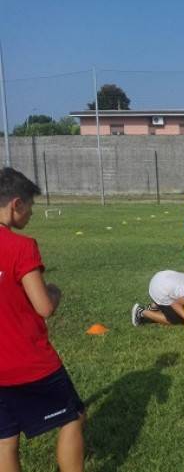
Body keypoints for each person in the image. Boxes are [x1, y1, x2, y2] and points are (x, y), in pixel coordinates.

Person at [0, 168, 85, 472]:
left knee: (6, 440)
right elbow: (44, 307)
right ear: (16, 205)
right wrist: (53, 291)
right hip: (28, 362)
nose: (32, 213)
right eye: (31, 206)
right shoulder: (20, 248)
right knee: (73, 417)